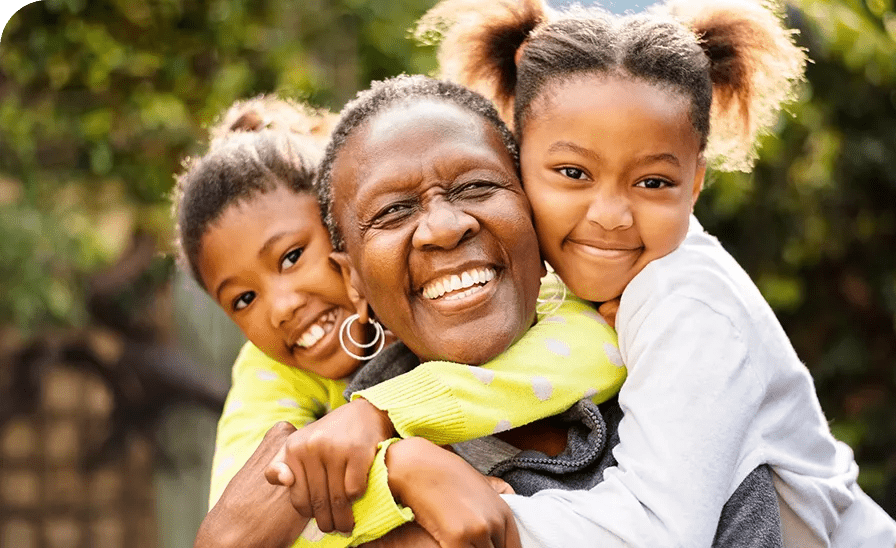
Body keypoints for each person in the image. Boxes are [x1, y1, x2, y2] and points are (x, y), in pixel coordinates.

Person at [416, 0, 896, 545]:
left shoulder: (688, 303)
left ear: (695, 183)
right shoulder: (546, 281)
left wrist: (488, 509)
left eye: (652, 183)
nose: (609, 215)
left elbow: (656, 532)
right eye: (573, 173)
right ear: (514, 155)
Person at [172, 96, 627, 547]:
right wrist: (400, 474)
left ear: (342, 236)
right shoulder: (270, 372)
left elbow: (597, 348)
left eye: (292, 257)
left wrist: (383, 414)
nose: (281, 306)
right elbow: (247, 519)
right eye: (244, 298)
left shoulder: (525, 290)